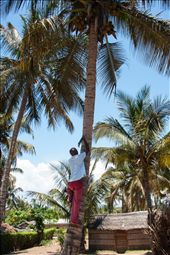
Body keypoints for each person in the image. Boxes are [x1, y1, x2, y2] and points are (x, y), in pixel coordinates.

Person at [67, 136, 89, 225]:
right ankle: (74, 220)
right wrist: (84, 140)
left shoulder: (70, 160)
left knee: (72, 201)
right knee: (76, 203)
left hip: (70, 183)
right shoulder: (80, 157)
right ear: (76, 152)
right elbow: (87, 150)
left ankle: (69, 199)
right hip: (77, 183)